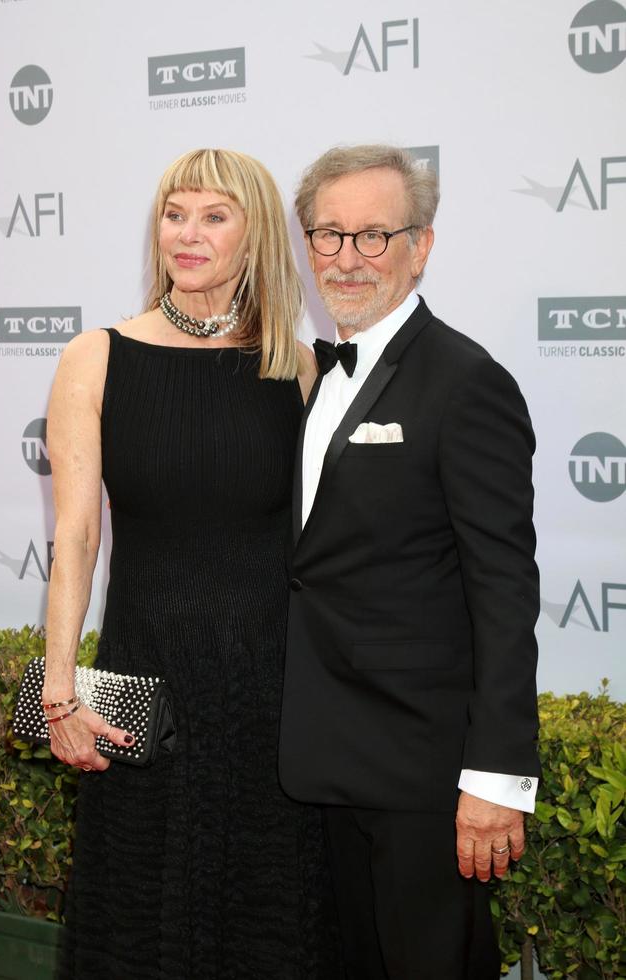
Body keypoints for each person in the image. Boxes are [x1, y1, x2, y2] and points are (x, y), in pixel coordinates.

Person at [43, 148, 342, 980]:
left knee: (267, 921)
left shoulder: (297, 367)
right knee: (141, 917)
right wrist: (60, 687)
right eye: (176, 213)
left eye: (215, 216)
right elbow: (75, 536)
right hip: (149, 680)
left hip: (272, 691)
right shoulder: (95, 357)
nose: (188, 233)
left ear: (255, 237)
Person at [278, 145, 541, 980]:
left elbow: (504, 588)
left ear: (421, 246)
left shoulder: (466, 383)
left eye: (375, 235)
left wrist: (497, 776)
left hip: (424, 776)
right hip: (320, 764)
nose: (348, 259)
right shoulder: (310, 377)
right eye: (328, 235)